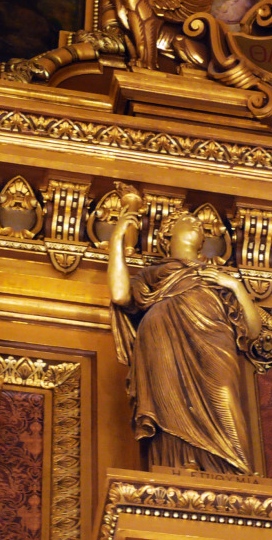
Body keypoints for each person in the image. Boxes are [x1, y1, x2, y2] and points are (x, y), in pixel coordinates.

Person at [108, 201, 263, 475]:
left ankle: (233, 470)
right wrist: (117, 238)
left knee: (224, 396)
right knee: (170, 402)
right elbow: (120, 295)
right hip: (162, 339)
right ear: (168, 234)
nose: (198, 226)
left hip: (214, 340)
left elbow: (252, 331)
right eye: (189, 221)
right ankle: (179, 465)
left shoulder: (217, 278)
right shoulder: (153, 275)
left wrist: (237, 287)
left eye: (201, 227)